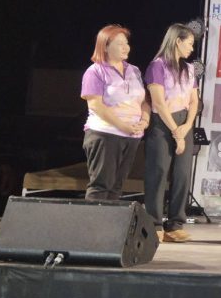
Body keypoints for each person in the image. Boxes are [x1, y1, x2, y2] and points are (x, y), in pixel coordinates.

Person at [80, 24, 150, 201]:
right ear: (105, 46)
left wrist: (145, 121)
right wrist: (123, 126)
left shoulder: (134, 70)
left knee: (117, 187)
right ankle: (93, 220)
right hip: (105, 134)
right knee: (101, 185)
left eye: (126, 43)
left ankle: (111, 220)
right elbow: (96, 105)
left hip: (132, 136)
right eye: (120, 44)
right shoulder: (95, 71)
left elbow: (144, 101)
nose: (126, 47)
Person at [143, 23, 199, 243]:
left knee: (182, 174)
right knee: (158, 172)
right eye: (189, 43)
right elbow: (158, 102)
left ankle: (175, 223)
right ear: (177, 41)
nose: (191, 48)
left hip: (184, 122)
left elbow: (194, 101)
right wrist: (176, 131)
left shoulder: (190, 69)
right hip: (162, 122)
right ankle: (154, 223)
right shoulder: (157, 66)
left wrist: (187, 125)